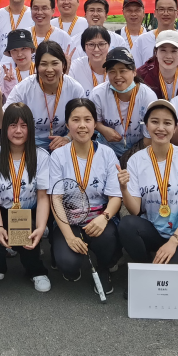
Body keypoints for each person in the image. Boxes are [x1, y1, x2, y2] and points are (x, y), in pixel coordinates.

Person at [118, 100, 178, 268]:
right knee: (127, 224)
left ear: (175, 127)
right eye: (155, 121)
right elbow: (135, 210)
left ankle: (164, 261)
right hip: (152, 230)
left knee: (169, 272)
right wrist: (124, 189)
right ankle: (145, 268)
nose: (160, 128)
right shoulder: (136, 160)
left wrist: (174, 241)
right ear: (147, 126)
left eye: (167, 123)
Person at [49, 99, 122, 294]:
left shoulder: (107, 153)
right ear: (67, 125)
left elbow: (115, 197)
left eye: (87, 120)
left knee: (108, 239)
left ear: (94, 124)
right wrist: (69, 237)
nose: (82, 125)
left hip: (99, 217)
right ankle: (72, 256)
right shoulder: (58, 156)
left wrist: (104, 218)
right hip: (69, 218)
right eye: (76, 120)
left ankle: (103, 268)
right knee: (68, 265)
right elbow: (55, 199)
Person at [0, 103, 51, 292]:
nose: (18, 131)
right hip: (1, 211)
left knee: (29, 241)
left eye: (23, 125)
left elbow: (43, 197)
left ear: (30, 128)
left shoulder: (41, 157)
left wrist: (40, 227)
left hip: (28, 212)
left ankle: (36, 271)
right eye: (13, 125)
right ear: (5, 127)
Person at [0, 41, 85, 151]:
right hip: (30, 145)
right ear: (36, 66)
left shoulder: (75, 88)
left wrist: (68, 138)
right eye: (43, 64)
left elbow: (84, 121)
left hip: (64, 144)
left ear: (63, 65)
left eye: (55, 63)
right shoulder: (24, 88)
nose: (49, 69)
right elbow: (0, 123)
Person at [91, 48, 157, 160]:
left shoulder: (148, 97)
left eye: (123, 71)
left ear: (134, 71)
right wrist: (102, 129)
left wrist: (128, 159)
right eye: (112, 71)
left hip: (139, 150)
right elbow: (91, 120)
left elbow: (150, 136)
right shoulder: (98, 94)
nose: (117, 76)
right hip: (106, 149)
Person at [133, 0, 178, 66]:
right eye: (161, 9)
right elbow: (135, 69)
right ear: (155, 13)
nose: (165, 13)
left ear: (177, 14)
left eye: (170, 9)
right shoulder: (141, 41)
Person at [136, 30, 178, 101]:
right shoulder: (141, 75)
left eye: (174, 51)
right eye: (163, 50)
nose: (168, 56)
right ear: (156, 52)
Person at [68, 26, 111, 97]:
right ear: (84, 47)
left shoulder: (116, 66)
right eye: (91, 44)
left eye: (101, 44)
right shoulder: (74, 67)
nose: (96, 49)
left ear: (108, 45)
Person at [0, 30, 36, 97]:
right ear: (10, 53)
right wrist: (9, 86)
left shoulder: (41, 72)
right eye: (14, 50)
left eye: (23, 48)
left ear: (31, 49)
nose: (19, 54)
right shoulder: (8, 77)